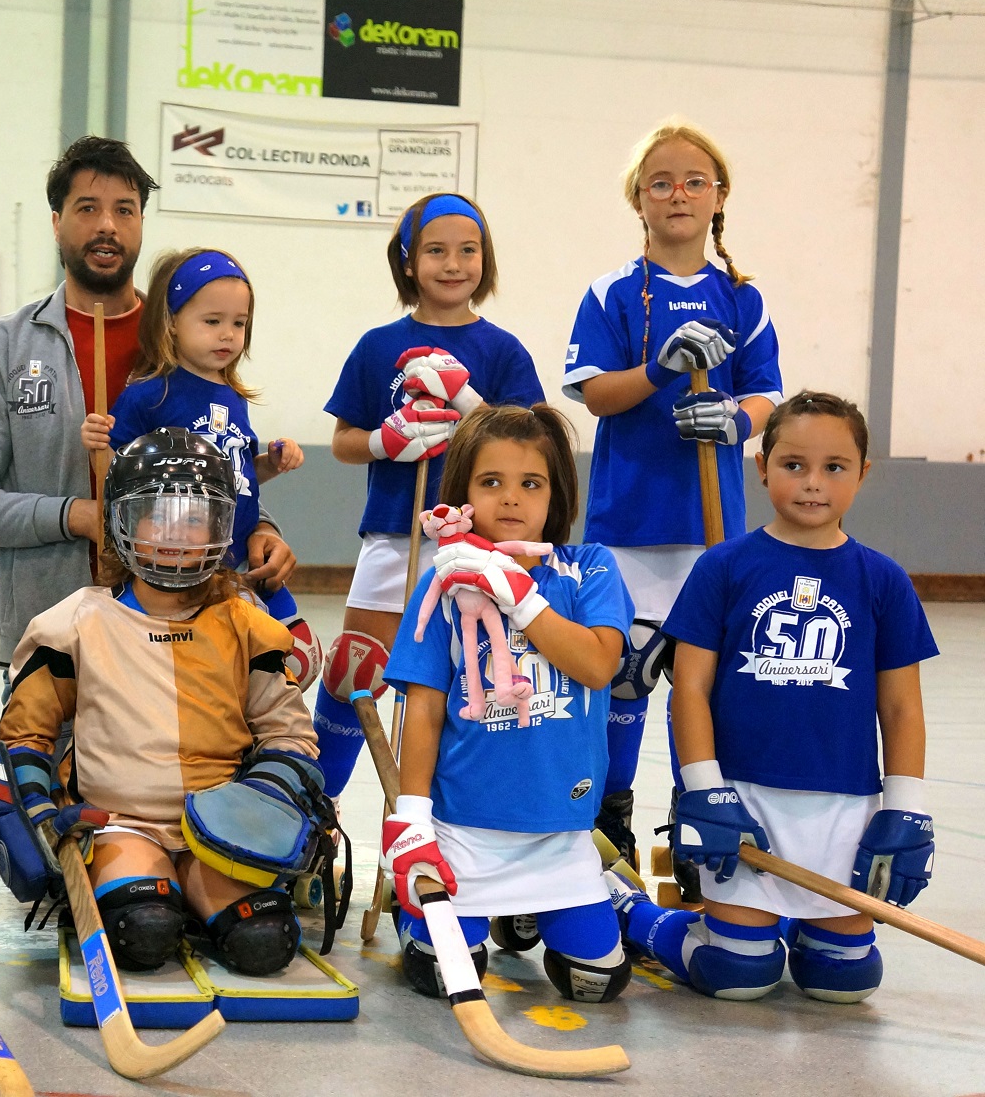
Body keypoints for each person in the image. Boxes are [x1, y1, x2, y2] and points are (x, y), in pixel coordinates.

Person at [607, 391, 938, 1005]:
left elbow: (901, 708)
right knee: (737, 975)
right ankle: (628, 906)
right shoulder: (723, 567)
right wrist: (705, 789)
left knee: (845, 980)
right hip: (745, 803)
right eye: (793, 465)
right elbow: (692, 691)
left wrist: (906, 808)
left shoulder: (883, 578)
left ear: (862, 475)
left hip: (846, 809)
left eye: (834, 468)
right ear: (762, 467)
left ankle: (790, 928)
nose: (813, 484)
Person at [0, 136, 297, 671]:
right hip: (49, 636)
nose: (107, 224)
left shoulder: (188, 341)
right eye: (87, 208)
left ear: (141, 225)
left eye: (124, 210)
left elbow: (222, 459)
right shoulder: (4, 347)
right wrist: (76, 516)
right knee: (42, 758)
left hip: (181, 636)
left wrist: (262, 527)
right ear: (56, 223)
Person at [0, 428, 331, 976]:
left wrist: (258, 806)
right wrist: (46, 816)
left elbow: (288, 733)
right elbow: (24, 736)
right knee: (143, 929)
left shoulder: (247, 625)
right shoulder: (74, 622)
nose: (176, 534)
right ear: (121, 523)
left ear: (221, 527)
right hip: (120, 821)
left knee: (264, 939)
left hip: (219, 827)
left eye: (195, 518)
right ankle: (156, 892)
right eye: (156, 516)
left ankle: (192, 890)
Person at [561, 118, 783, 863]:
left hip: (711, 531)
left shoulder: (743, 298)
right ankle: (610, 814)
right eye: (661, 181)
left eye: (695, 180)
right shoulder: (614, 292)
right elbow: (595, 394)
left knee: (701, 681)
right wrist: (659, 369)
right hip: (628, 524)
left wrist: (731, 419)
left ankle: (695, 817)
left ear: (719, 197)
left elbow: (766, 399)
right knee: (624, 677)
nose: (678, 192)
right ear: (639, 200)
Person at [381, 405, 634, 1005]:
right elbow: (424, 707)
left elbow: (598, 665)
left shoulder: (588, 567)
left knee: (595, 983)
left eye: (532, 483)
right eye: (490, 482)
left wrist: (520, 598)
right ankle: (420, 907)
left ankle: (626, 903)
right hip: (464, 830)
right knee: (440, 977)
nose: (511, 498)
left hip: (561, 829)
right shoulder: (444, 581)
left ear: (558, 494)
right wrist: (411, 820)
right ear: (463, 494)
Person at [314, 192, 544, 795]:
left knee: (464, 678)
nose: (453, 264)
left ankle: (447, 816)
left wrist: (467, 404)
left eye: (468, 250)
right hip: (395, 530)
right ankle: (315, 806)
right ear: (409, 261)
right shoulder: (376, 345)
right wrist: (385, 443)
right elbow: (342, 441)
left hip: (479, 544)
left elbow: (527, 444)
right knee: (354, 667)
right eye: (436, 251)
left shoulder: (502, 349)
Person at [80, 247, 317, 685]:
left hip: (242, 557)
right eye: (212, 322)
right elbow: (119, 474)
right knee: (220, 671)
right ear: (171, 321)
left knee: (295, 658)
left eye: (239, 323)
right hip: (186, 566)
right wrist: (97, 444)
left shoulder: (234, 395)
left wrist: (270, 463)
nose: (227, 334)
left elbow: (237, 475)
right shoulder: (151, 395)